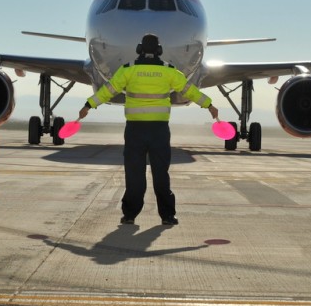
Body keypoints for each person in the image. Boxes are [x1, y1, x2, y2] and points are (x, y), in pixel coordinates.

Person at [79, 34, 218, 226]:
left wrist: (88, 105)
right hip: (159, 131)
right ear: (159, 50)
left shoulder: (128, 71)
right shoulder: (169, 72)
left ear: (139, 49)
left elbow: (107, 91)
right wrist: (209, 105)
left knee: (134, 175)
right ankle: (168, 216)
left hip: (135, 130)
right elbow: (190, 91)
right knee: (161, 174)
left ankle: (130, 215)